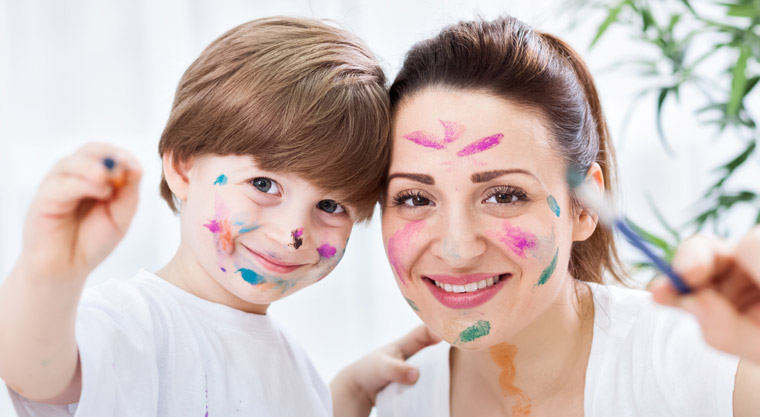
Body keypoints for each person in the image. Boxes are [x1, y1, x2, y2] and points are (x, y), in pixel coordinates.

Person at [0, 16, 436, 417]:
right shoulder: (136, 325)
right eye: (264, 185)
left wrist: (349, 396)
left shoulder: (295, 368)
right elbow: (33, 371)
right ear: (183, 167)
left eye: (330, 206)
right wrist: (49, 270)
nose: (293, 234)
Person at [369, 15, 760, 417]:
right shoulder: (400, 399)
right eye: (415, 199)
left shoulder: (696, 362)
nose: (457, 249)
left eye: (504, 195)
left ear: (585, 205)